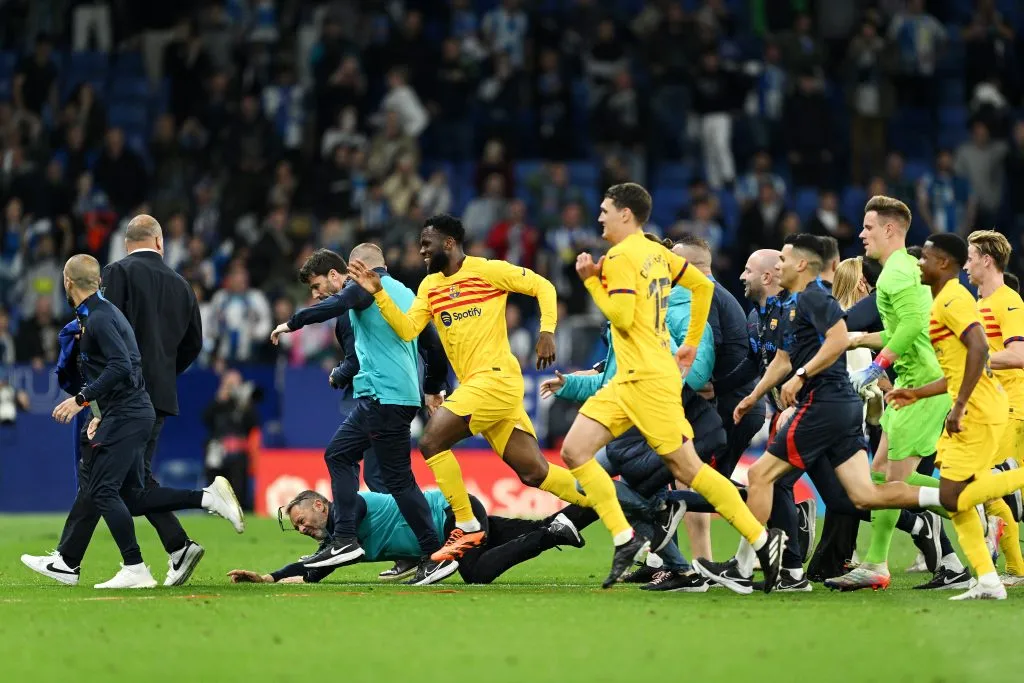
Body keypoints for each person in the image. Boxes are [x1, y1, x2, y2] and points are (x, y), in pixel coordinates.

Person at [551, 182, 786, 590]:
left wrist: (590, 280)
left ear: (627, 214)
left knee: (686, 469)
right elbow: (703, 286)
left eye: (606, 209)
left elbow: (621, 317)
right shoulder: (657, 253)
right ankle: (625, 537)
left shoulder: (623, 257)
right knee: (574, 450)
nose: (600, 216)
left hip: (648, 382)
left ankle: (763, 540)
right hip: (631, 378)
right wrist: (691, 342)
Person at [346, 214, 590, 564]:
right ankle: (620, 503)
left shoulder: (486, 270)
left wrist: (547, 330)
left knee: (431, 442)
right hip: (481, 387)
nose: (421, 250)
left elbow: (543, 286)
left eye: (427, 244)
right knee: (534, 472)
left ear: (449, 243)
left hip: (495, 379)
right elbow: (407, 330)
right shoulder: (430, 287)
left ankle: (467, 523)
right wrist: (380, 294)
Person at [695, 235, 928, 595]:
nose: (779, 266)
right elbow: (781, 361)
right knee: (857, 495)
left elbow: (837, 340)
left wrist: (802, 378)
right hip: (832, 407)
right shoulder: (792, 306)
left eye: (784, 260)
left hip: (823, 404)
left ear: (801, 264)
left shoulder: (815, 297)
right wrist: (754, 395)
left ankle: (755, 565)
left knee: (762, 477)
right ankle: (947, 500)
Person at [21, 255, 244, 589]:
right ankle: (206, 499)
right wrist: (100, 413)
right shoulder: (102, 314)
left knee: (101, 488)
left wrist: (82, 399)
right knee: (133, 496)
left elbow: (121, 366)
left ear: (67, 282)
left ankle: (133, 566)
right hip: (127, 412)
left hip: (127, 413)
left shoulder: (98, 318)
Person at [269, 247, 454, 586]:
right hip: (391, 397)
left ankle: (418, 551)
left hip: (385, 397)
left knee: (393, 480)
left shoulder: (366, 287)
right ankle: (352, 541)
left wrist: (291, 323)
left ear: (357, 268)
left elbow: (335, 305)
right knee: (345, 456)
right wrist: (432, 386)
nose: (317, 292)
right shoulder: (405, 293)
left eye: (316, 285)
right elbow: (431, 343)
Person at [51, 215, 206, 586]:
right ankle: (175, 545)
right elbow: (194, 343)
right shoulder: (182, 284)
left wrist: (94, 399)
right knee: (127, 480)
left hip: (122, 393)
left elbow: (102, 334)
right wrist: (164, 374)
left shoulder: (116, 274)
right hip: (158, 395)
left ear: (126, 243)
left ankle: (75, 560)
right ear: (159, 241)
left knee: (108, 478)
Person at [832, 195, 968, 591]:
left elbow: (910, 326)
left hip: (921, 386)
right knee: (878, 478)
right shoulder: (905, 269)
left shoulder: (896, 273)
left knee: (893, 486)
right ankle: (876, 563)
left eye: (869, 227)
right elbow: (901, 329)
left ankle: (985, 500)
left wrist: (878, 365)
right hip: (911, 385)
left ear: (890, 230)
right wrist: (860, 338)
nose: (862, 234)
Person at [888, 233, 1024, 600]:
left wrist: (961, 403)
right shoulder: (951, 300)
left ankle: (1013, 487)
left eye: (926, 257)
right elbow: (959, 365)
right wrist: (917, 392)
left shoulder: (960, 299)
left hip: (984, 409)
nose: (920, 262)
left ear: (943, 263)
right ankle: (988, 580)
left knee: (953, 497)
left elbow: (983, 349)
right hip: (971, 405)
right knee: (958, 498)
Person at [226, 490, 586, 586]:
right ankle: (608, 500)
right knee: (543, 523)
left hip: (451, 515)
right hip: (458, 515)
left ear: (320, 505)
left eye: (303, 520)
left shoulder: (351, 507)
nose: (303, 529)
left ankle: (551, 535)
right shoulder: (336, 543)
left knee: (475, 573)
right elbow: (313, 570)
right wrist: (267, 577)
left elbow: (327, 557)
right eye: (299, 528)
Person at [963, 229, 1024, 583]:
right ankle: (1015, 567)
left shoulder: (1009, 301)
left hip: (1012, 409)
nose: (967, 264)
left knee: (990, 487)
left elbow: (1018, 354)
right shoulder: (978, 305)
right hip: (989, 409)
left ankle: (1015, 567)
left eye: (971, 257)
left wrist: (977, 360)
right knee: (991, 488)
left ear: (987, 260)